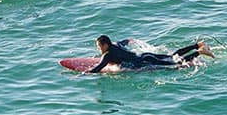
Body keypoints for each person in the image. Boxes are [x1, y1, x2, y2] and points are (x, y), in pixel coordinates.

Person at [85, 35, 213, 73]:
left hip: (145, 62)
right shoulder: (115, 44)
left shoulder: (107, 55)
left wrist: (84, 74)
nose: (98, 49)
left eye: (99, 46)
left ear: (105, 45)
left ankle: (199, 52)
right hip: (145, 56)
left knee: (175, 64)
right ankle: (198, 45)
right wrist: (129, 40)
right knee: (173, 57)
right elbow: (124, 42)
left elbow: (98, 68)